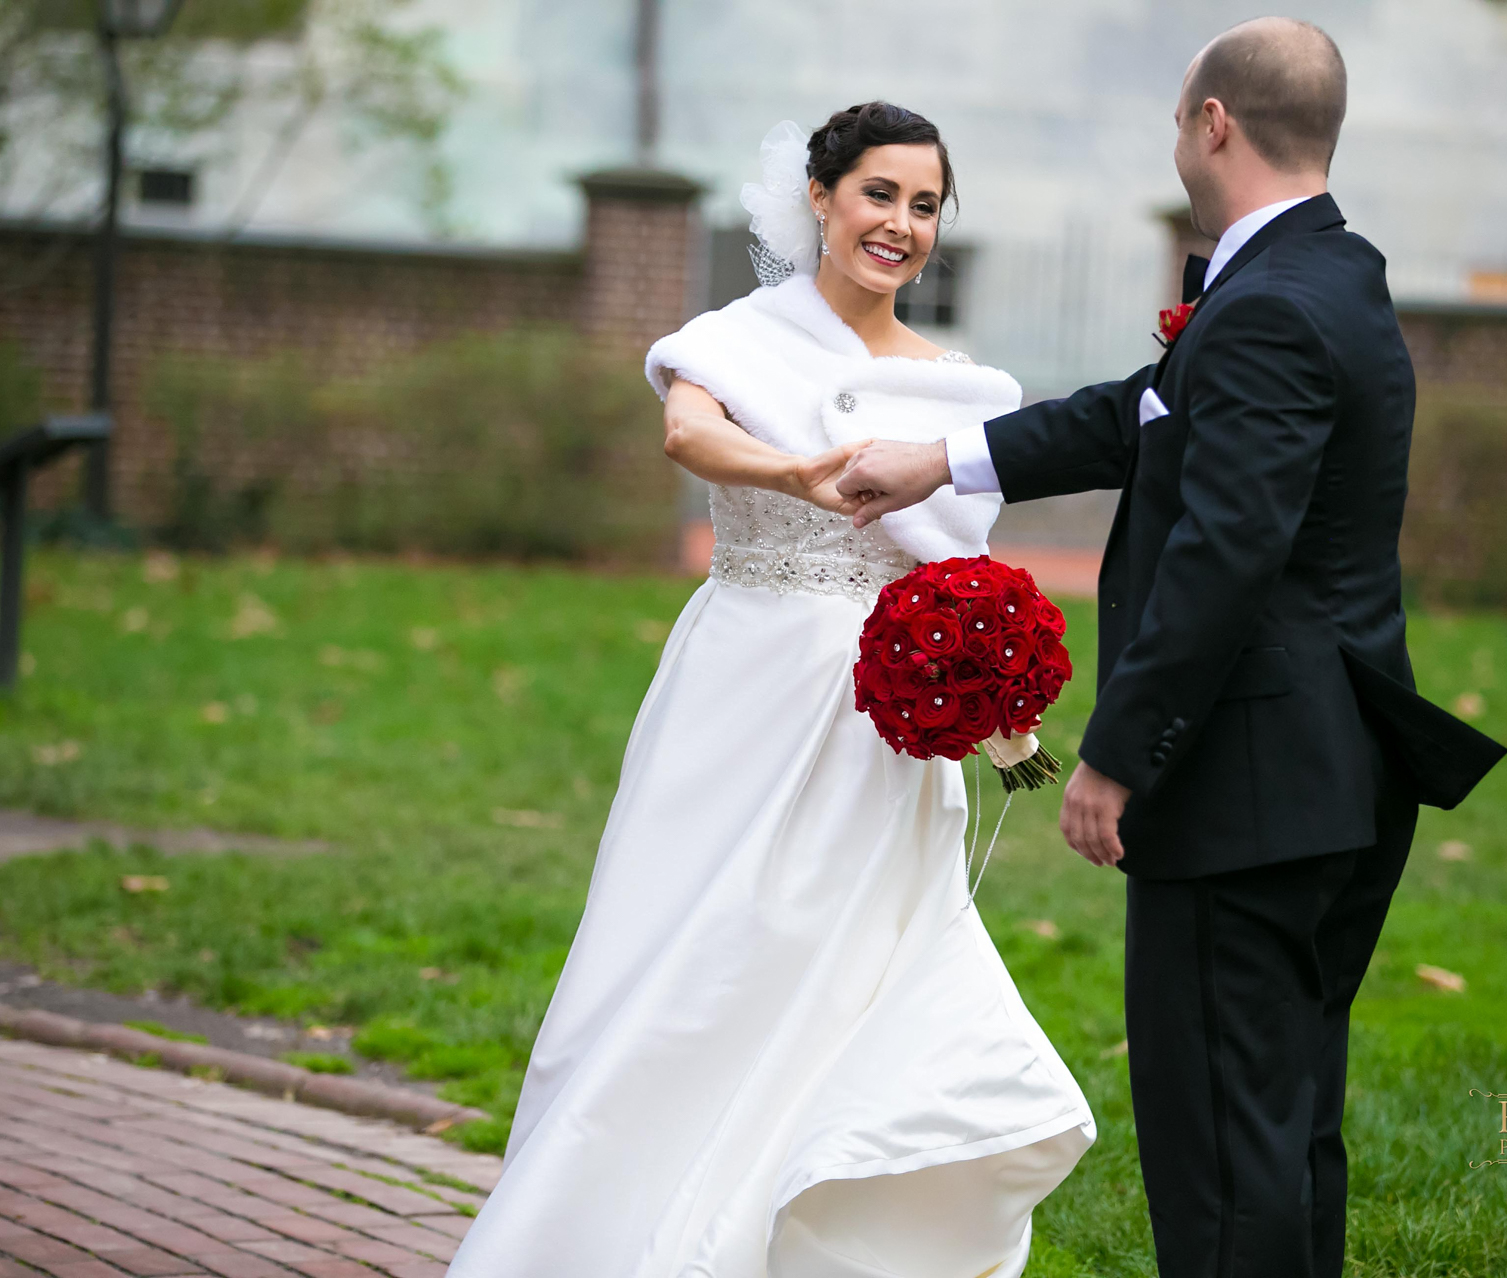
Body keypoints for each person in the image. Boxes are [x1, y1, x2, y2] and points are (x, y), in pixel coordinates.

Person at [836, 20, 1505, 1278]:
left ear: (1212, 123)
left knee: (1218, 1151)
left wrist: (1119, 757)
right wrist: (948, 458)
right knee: (1288, 1122)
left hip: (1245, 788)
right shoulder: (1330, 275)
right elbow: (1146, 419)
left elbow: (1225, 552)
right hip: (1336, 766)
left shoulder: (1267, 307)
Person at [443, 102, 1094, 1278]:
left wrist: (988, 679)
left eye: (926, 205)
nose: (900, 224)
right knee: (702, 943)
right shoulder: (738, 341)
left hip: (886, 722)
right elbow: (687, 437)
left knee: (854, 960)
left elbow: (960, 561)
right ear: (822, 197)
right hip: (745, 688)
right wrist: (798, 469)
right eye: (879, 194)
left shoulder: (967, 390)